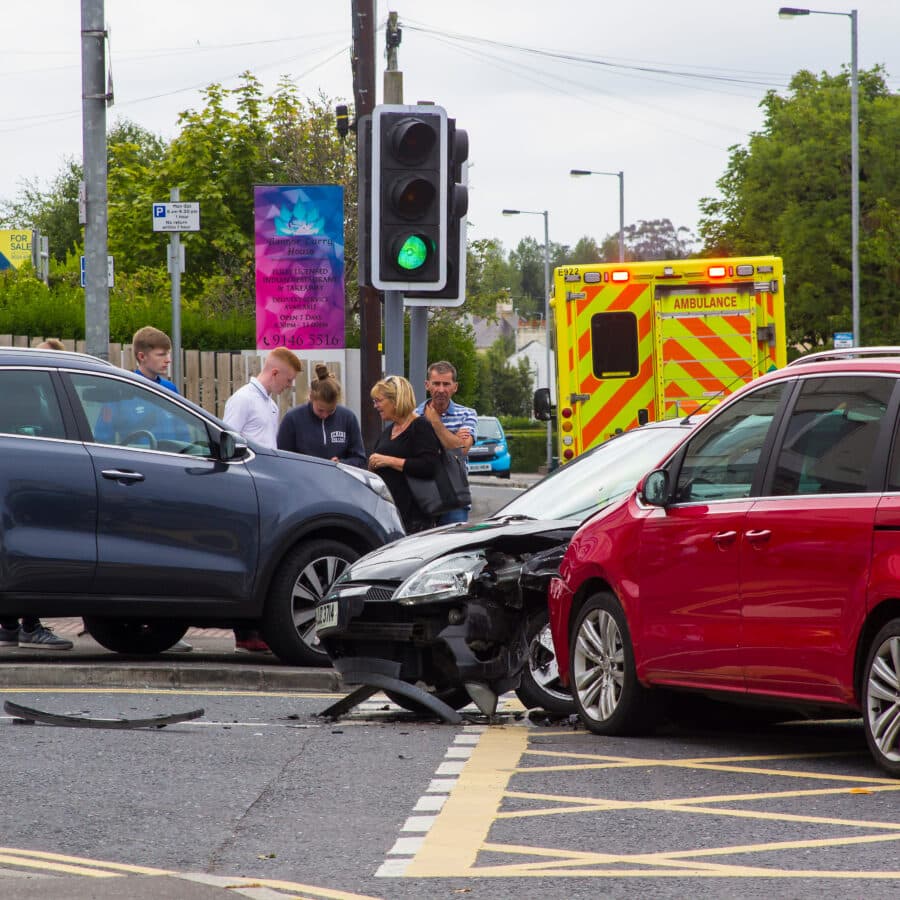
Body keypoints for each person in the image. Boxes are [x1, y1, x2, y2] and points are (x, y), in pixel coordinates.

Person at [223, 347, 303, 652]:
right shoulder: (243, 399)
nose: (290, 385)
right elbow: (229, 439)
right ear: (274, 373)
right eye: (288, 379)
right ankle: (245, 633)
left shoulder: (269, 404)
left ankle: (255, 630)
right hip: (246, 487)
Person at [0, 339, 75, 650]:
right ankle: (29, 625)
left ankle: (8, 625)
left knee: (13, 550)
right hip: (30, 480)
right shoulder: (32, 394)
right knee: (31, 550)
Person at [369, 375, 442, 534]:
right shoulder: (388, 431)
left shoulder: (420, 426)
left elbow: (429, 466)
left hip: (414, 516)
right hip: (389, 513)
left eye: (379, 401)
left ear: (395, 400)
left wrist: (389, 461)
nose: (375, 406)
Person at [415, 360, 477, 525]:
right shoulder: (414, 416)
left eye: (446, 384)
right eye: (436, 383)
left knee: (454, 548)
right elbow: (415, 454)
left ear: (454, 387)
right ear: (427, 385)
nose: (441, 389)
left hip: (455, 497)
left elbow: (462, 450)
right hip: (422, 496)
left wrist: (435, 422)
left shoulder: (467, 414)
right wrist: (452, 439)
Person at [276, 364, 366, 467]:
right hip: (303, 481)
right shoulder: (292, 419)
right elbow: (281, 459)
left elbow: (360, 459)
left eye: (331, 411)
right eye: (320, 410)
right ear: (311, 397)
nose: (325, 415)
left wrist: (341, 464)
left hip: (338, 481)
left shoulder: (348, 418)